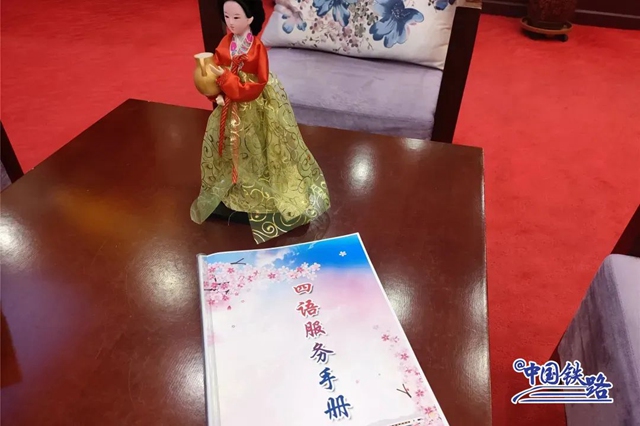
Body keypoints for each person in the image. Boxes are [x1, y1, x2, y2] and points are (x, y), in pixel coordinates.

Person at [190, 0, 331, 244]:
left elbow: (258, 83)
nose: (231, 23)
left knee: (259, 142)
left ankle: (260, 184)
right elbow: (215, 68)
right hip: (230, 102)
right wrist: (215, 92)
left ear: (251, 18)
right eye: (227, 17)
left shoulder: (256, 48)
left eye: (236, 17)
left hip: (254, 103)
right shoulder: (225, 43)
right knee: (231, 144)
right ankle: (235, 182)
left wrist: (226, 80)